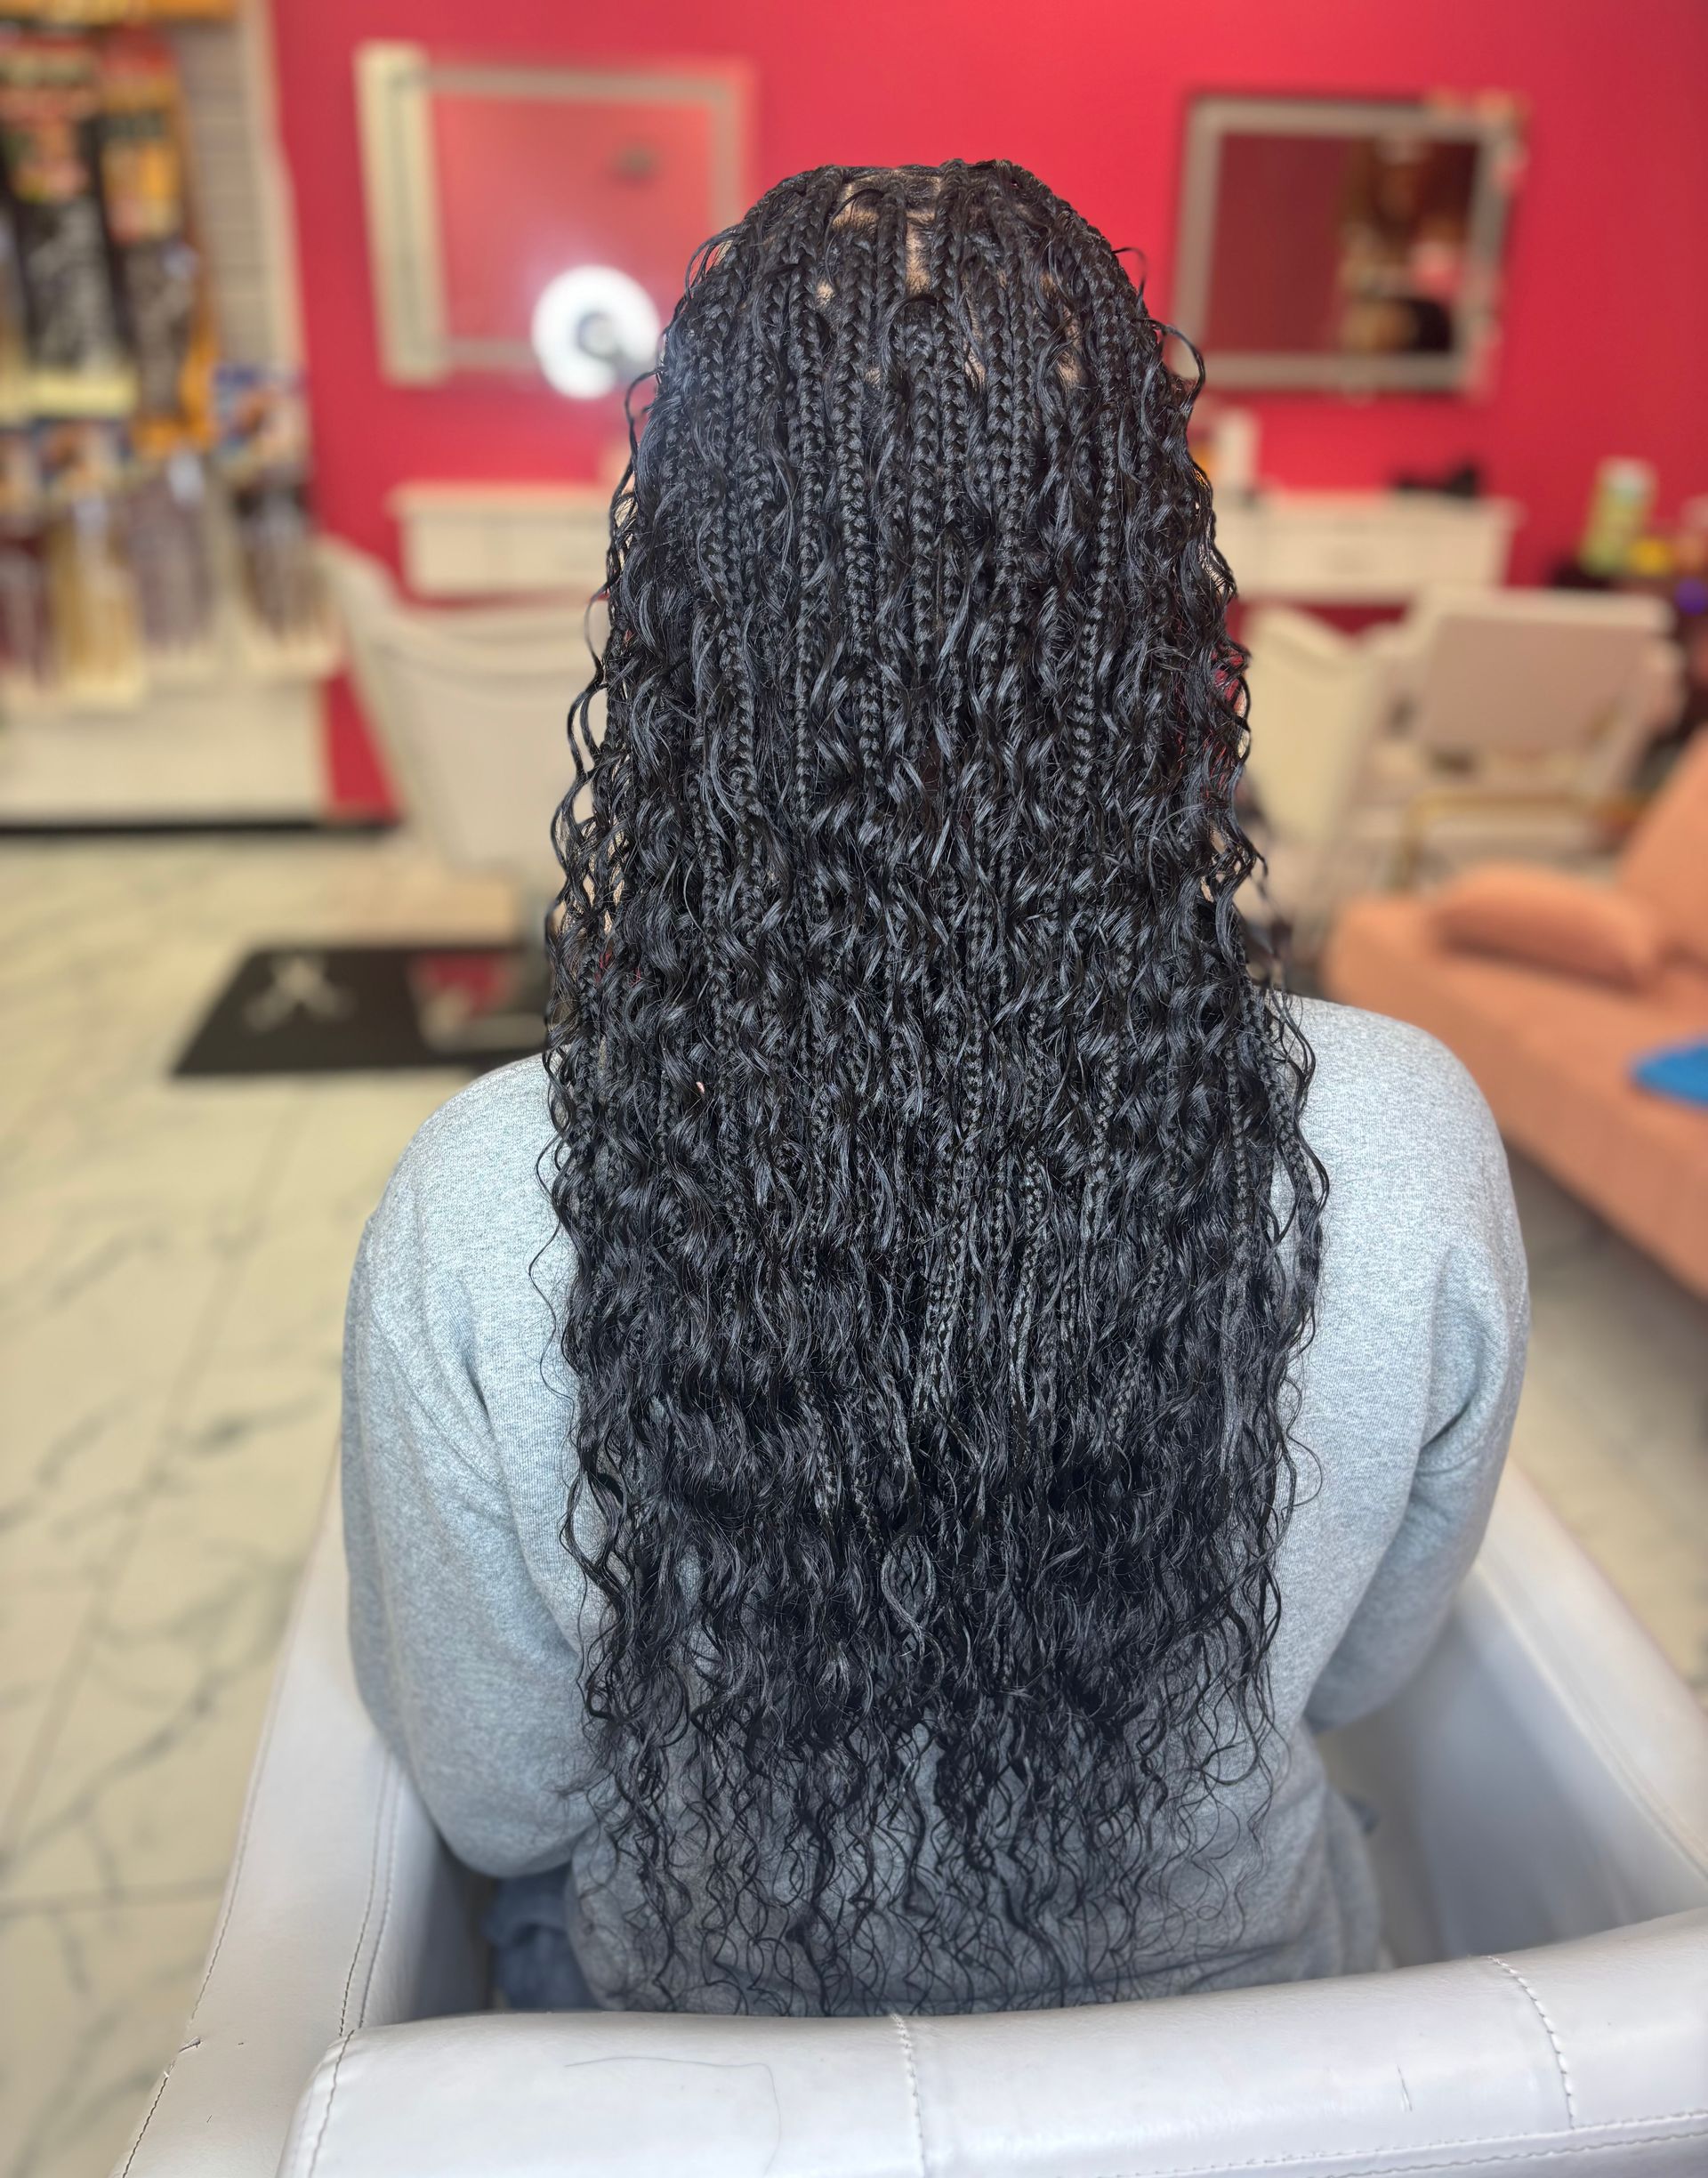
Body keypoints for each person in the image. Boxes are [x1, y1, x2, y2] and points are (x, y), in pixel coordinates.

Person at [342, 161, 1527, 2019]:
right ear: (1155, 597)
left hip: (710, 2095)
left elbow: (505, 1801)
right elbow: (1362, 1674)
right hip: (1256, 2080)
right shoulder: (1402, 1142)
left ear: (684, 619)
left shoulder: (488, 1205)